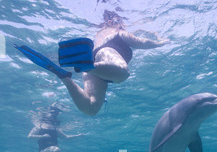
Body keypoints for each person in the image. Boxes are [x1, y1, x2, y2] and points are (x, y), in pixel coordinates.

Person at [15, 10, 170, 117]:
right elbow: (142, 43)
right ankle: (83, 64)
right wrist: (159, 43)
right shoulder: (120, 33)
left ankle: (65, 77)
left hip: (97, 67)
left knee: (91, 109)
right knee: (123, 73)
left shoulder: (103, 35)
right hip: (106, 53)